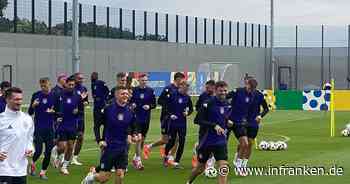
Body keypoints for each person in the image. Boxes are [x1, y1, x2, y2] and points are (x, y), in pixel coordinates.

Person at [81, 86, 140, 184]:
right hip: (109, 148)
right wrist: (100, 140)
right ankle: (91, 177)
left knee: (120, 175)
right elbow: (96, 126)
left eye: (126, 93)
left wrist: (135, 134)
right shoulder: (108, 109)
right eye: (122, 94)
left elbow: (134, 125)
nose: (125, 95)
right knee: (104, 178)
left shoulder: (130, 110)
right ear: (116, 95)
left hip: (123, 148)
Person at [186, 81, 231, 184]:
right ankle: (189, 182)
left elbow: (223, 117)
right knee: (200, 168)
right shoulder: (208, 103)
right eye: (220, 91)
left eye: (225, 90)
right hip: (206, 140)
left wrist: (227, 121)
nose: (223, 93)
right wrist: (214, 125)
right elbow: (197, 120)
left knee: (223, 166)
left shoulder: (227, 104)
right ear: (215, 91)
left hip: (220, 141)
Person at [228, 78, 269, 176]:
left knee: (250, 143)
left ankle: (243, 163)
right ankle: (238, 162)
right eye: (249, 88)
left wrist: (260, 115)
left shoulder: (259, 95)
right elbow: (225, 98)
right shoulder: (238, 91)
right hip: (242, 121)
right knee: (244, 143)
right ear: (246, 84)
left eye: (253, 89)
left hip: (253, 122)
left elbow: (266, 108)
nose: (250, 90)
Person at [143, 72, 186, 159]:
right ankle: (148, 147)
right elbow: (160, 101)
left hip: (177, 118)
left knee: (176, 138)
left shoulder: (180, 90)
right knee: (165, 140)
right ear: (177, 79)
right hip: (166, 118)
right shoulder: (168, 89)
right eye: (182, 80)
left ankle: (170, 158)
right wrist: (170, 107)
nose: (183, 82)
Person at [0, 87, 34, 184]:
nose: (19, 102)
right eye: (16, 99)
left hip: (21, 169)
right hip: (3, 169)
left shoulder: (27, 119)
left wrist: (30, 149)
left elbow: (29, 139)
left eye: (20, 99)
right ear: (7, 100)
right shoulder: (1, 120)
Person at [54, 76, 86, 175]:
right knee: (63, 146)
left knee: (71, 146)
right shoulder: (59, 94)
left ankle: (64, 166)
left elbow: (81, 111)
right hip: (62, 124)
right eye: (69, 84)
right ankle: (56, 153)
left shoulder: (77, 96)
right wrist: (56, 116)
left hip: (72, 124)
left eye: (73, 85)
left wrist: (77, 112)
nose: (71, 86)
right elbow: (54, 108)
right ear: (66, 84)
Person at [28, 78, 56, 180]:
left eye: (46, 86)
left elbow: (59, 112)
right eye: (42, 86)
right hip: (38, 128)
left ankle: (43, 172)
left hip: (50, 129)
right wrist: (33, 105)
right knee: (38, 151)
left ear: (50, 85)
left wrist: (54, 112)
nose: (44, 88)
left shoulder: (55, 96)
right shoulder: (36, 95)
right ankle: (32, 165)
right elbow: (30, 112)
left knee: (48, 151)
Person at [129, 74, 156, 170]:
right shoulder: (134, 90)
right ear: (138, 80)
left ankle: (135, 157)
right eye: (142, 80)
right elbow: (128, 102)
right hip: (136, 119)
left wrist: (149, 106)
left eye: (145, 80)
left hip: (146, 118)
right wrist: (132, 105)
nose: (144, 81)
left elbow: (154, 104)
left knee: (142, 139)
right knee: (138, 139)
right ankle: (138, 161)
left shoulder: (150, 91)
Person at [164, 82, 193, 168]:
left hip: (182, 123)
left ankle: (177, 161)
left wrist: (187, 113)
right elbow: (165, 107)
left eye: (187, 88)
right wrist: (170, 115)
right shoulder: (172, 94)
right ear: (180, 86)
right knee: (171, 141)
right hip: (172, 123)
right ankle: (166, 157)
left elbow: (191, 109)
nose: (186, 90)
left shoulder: (187, 97)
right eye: (185, 88)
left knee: (182, 141)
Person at [192, 80, 216, 168]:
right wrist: (203, 113)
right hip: (204, 124)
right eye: (206, 88)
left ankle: (209, 163)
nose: (206, 89)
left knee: (213, 144)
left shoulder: (217, 97)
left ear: (213, 87)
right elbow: (198, 107)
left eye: (207, 88)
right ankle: (197, 150)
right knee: (203, 144)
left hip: (214, 124)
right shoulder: (203, 96)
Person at [72, 73, 89, 166]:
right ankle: (62, 155)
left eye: (82, 78)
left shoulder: (84, 89)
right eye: (79, 78)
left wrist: (85, 102)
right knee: (70, 138)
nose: (81, 80)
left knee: (80, 137)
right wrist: (79, 99)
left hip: (81, 115)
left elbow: (86, 100)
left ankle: (75, 157)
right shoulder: (71, 88)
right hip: (71, 116)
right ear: (75, 78)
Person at [91, 72, 110, 144]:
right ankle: (98, 138)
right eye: (92, 76)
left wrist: (105, 100)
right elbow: (94, 94)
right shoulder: (92, 84)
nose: (92, 77)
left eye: (93, 76)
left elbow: (107, 92)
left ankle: (104, 137)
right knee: (96, 124)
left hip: (103, 106)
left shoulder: (102, 83)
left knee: (106, 123)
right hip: (96, 107)